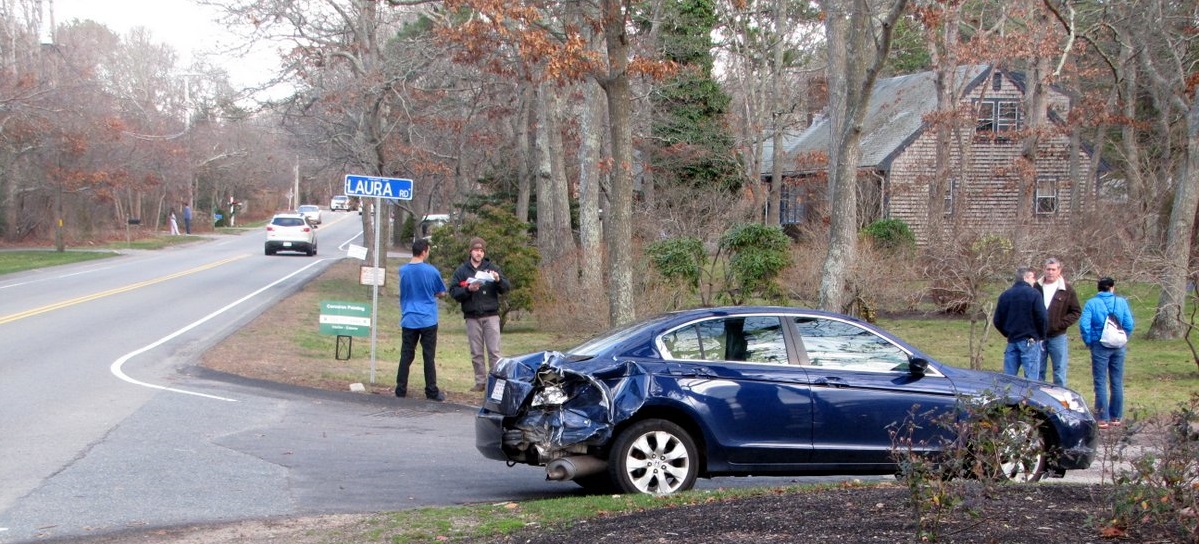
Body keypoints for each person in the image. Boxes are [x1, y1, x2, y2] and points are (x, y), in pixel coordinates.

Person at [448, 237, 511, 392]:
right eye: (476, 250)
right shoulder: (462, 270)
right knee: (476, 352)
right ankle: (480, 381)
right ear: (471, 251)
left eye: (481, 250)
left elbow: (506, 288)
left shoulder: (492, 268)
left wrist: (497, 280)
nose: (479, 253)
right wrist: (468, 289)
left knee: (494, 352)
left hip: (491, 315)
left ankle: (495, 382)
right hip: (472, 316)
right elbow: (453, 292)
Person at [1079, 277, 1134, 429]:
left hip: (1100, 344)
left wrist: (1089, 341)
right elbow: (1129, 324)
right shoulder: (1121, 302)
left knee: (1100, 382)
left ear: (1099, 288)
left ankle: (1102, 418)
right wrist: (1123, 337)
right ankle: (1116, 416)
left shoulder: (1092, 303)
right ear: (1112, 287)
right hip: (1118, 346)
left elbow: (1084, 325)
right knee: (1117, 381)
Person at [396, 238, 447, 401]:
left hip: (409, 317)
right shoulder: (431, 271)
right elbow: (441, 292)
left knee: (406, 355)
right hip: (428, 319)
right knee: (428, 356)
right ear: (424, 251)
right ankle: (431, 391)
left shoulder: (403, 270)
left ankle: (400, 389)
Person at [992, 267, 1048, 380]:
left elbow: (997, 320)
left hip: (1012, 340)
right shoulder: (1034, 294)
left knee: (1008, 379)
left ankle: (1007, 397)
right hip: (1030, 340)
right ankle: (1028, 397)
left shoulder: (1005, 295)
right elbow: (1042, 317)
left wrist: (1007, 333)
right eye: (1033, 277)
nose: (1035, 281)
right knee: (1031, 380)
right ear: (1026, 278)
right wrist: (1041, 335)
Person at [1036, 258, 1081, 386]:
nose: (1050, 272)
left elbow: (1076, 311)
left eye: (1053, 269)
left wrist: (1059, 325)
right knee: (1038, 371)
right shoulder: (1036, 287)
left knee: (1059, 371)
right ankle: (1037, 400)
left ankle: (1060, 401)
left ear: (1059, 271)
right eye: (1048, 269)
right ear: (1044, 270)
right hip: (1038, 336)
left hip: (1058, 336)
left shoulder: (1067, 289)